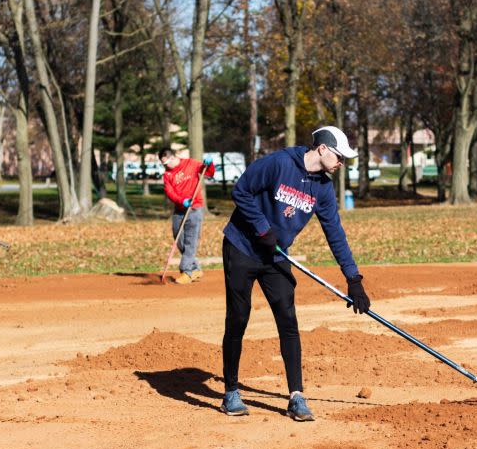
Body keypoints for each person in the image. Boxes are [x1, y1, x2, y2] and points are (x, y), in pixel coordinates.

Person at [220, 126, 371, 421]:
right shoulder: (278, 163)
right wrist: (262, 228)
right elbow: (241, 191)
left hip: (275, 255)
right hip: (242, 248)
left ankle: (296, 396)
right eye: (340, 156)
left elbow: (335, 233)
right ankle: (231, 392)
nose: (342, 163)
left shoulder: (323, 188)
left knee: (288, 319)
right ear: (323, 149)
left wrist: (353, 279)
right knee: (238, 317)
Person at [159, 148, 215, 284]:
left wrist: (210, 164)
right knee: (179, 239)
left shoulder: (191, 164)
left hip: (195, 208)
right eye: (162, 164)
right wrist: (181, 201)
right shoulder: (167, 175)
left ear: (172, 157)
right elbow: (169, 192)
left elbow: (209, 173)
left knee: (191, 241)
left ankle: (186, 271)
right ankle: (195, 268)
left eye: (166, 163)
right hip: (180, 209)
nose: (165, 167)